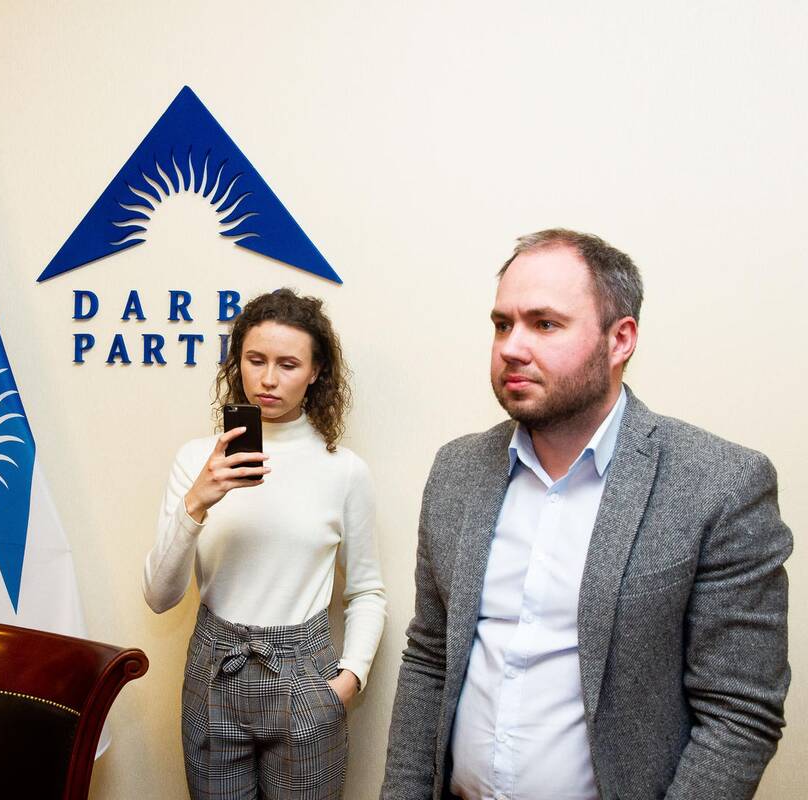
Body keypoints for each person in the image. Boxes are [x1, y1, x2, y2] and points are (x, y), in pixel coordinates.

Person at [381, 229, 792, 800]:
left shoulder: (720, 485)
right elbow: (430, 656)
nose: (512, 348)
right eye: (502, 324)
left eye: (545, 324)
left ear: (620, 339)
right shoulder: (457, 470)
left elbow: (739, 714)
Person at [144, 287, 386, 800]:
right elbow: (160, 598)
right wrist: (197, 501)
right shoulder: (196, 459)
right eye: (256, 360)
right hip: (214, 668)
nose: (269, 379)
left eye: (288, 364)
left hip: (306, 676)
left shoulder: (343, 471)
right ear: (237, 362)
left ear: (316, 372)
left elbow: (367, 590)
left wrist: (348, 681)